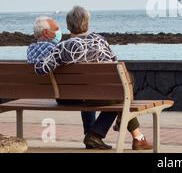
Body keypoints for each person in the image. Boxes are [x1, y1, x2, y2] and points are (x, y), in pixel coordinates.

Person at [28, 8, 152, 150]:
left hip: (67, 98)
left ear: (68, 26)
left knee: (113, 92)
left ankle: (97, 133)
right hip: (96, 96)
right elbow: (116, 69)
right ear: (87, 23)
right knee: (121, 91)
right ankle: (132, 136)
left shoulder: (62, 47)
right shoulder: (100, 41)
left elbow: (40, 69)